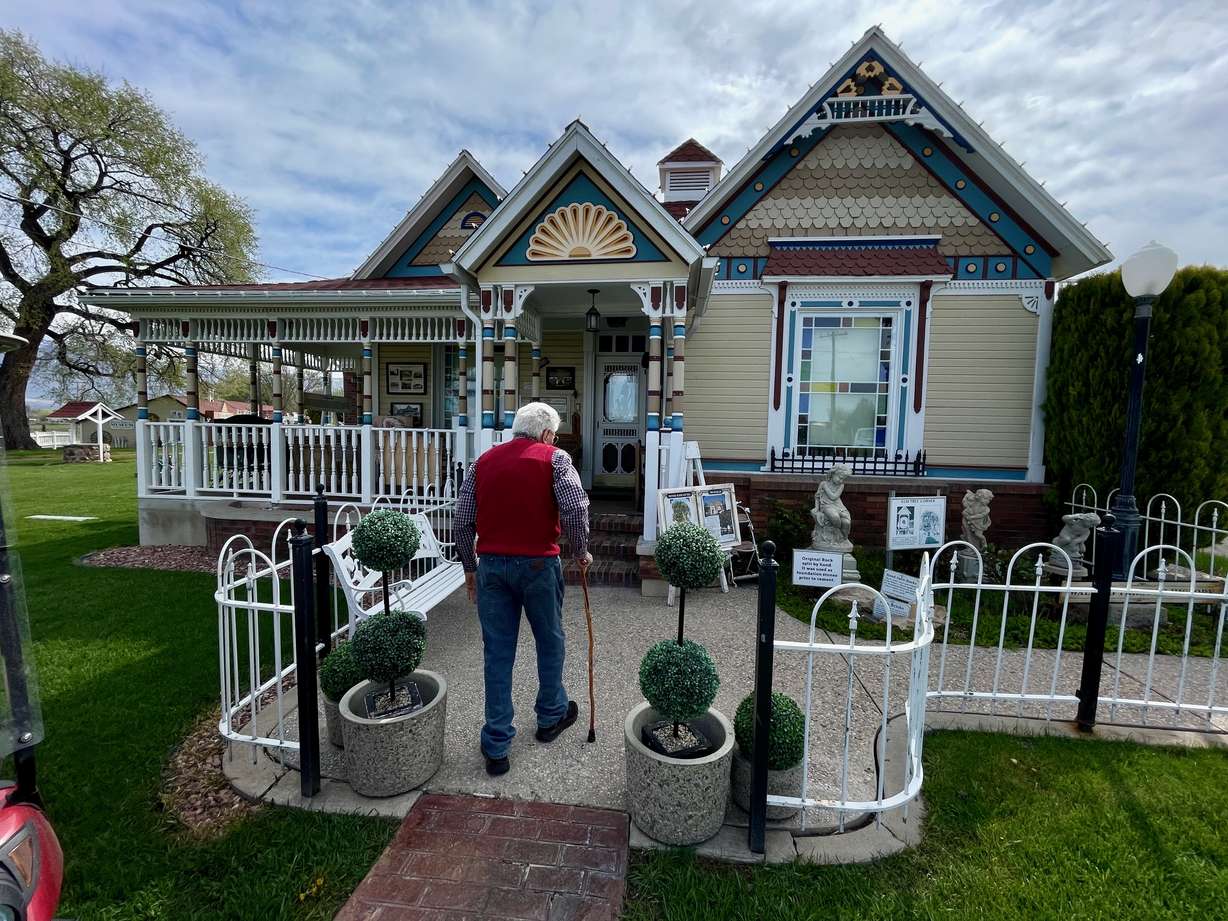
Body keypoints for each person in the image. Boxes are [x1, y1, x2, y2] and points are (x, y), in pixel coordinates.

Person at [453, 402, 593, 776]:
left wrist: (469, 567)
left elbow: (462, 520)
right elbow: (575, 509)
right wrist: (580, 551)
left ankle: (497, 745)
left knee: (497, 653)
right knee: (550, 641)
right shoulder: (556, 459)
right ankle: (550, 716)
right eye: (555, 434)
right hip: (537, 566)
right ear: (547, 434)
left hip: (493, 568)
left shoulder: (482, 462)